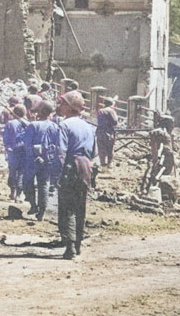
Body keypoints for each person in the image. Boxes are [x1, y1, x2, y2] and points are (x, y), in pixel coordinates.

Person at [55, 90, 97, 259]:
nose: (60, 107)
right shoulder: (89, 127)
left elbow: (61, 152)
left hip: (71, 167)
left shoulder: (65, 125)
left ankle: (70, 245)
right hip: (86, 168)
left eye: (63, 104)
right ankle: (78, 244)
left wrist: (58, 174)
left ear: (70, 107)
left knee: (67, 208)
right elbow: (94, 152)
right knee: (81, 207)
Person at [21, 100, 60, 221]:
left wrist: (31, 155)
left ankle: (33, 206)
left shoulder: (33, 125)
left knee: (27, 182)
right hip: (48, 159)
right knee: (44, 184)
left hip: (32, 159)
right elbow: (58, 144)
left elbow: (26, 144)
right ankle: (41, 212)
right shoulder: (55, 126)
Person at [1, 104, 29, 202]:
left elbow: (5, 138)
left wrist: (7, 146)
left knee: (13, 171)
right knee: (21, 172)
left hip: (13, 151)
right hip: (24, 151)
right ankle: (18, 195)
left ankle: (12, 193)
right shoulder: (28, 123)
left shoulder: (10, 124)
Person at [96, 97, 118, 168]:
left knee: (101, 148)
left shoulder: (100, 111)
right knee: (110, 148)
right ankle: (109, 164)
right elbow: (115, 122)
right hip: (108, 132)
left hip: (100, 131)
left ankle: (103, 164)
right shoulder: (111, 111)